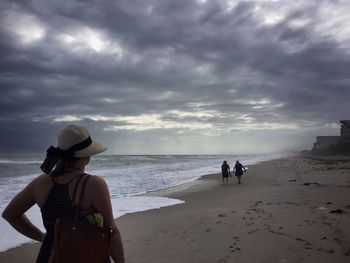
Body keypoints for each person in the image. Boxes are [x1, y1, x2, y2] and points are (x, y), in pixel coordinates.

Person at [2, 124, 125, 263]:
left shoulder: (41, 183)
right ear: (87, 155)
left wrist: (43, 237)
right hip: (86, 256)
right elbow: (112, 231)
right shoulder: (94, 185)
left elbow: (10, 214)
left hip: (49, 256)